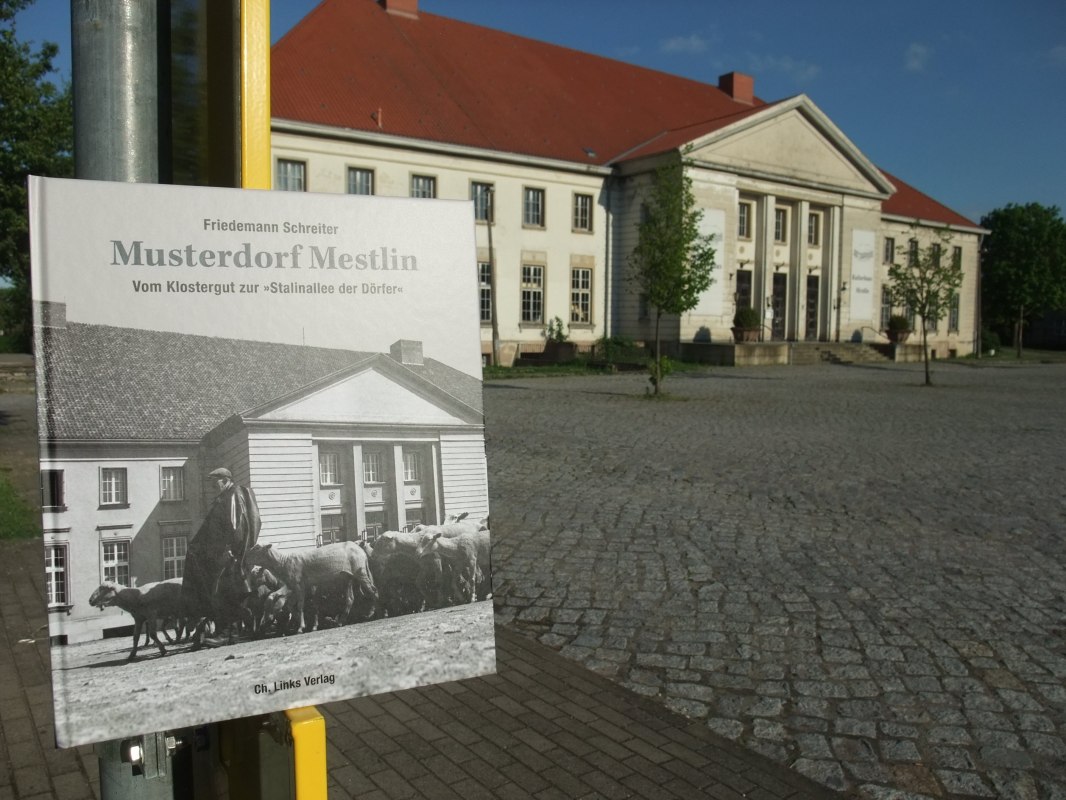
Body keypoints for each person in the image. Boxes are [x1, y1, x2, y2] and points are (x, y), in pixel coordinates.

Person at [182, 468, 262, 647]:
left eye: (215, 481)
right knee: (222, 593)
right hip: (221, 555)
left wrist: (231, 550)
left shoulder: (233, 496)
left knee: (226, 594)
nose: (212, 485)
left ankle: (227, 633)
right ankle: (226, 633)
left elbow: (237, 526)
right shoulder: (224, 498)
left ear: (225, 480)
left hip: (228, 556)